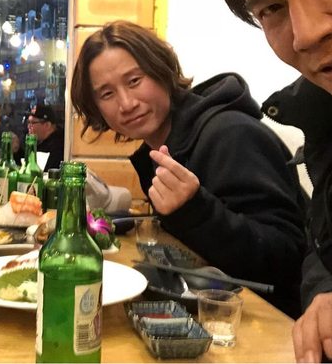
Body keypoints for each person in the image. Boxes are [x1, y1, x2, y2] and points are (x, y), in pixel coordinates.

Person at [203, 0, 332, 361]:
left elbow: (279, 251)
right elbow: (325, 253)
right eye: (271, 9)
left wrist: (193, 209)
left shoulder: (228, 132)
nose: (307, 33)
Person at [70, 19, 306, 317]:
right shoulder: (159, 150)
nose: (126, 103)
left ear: (162, 71)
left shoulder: (231, 133)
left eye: (134, 81)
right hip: (209, 312)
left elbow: (288, 259)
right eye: (107, 94)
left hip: (275, 324)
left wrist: (195, 209)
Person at [27, 103, 64, 171]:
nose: (29, 126)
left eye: (32, 123)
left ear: (47, 125)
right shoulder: (40, 142)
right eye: (28, 122)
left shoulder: (57, 146)